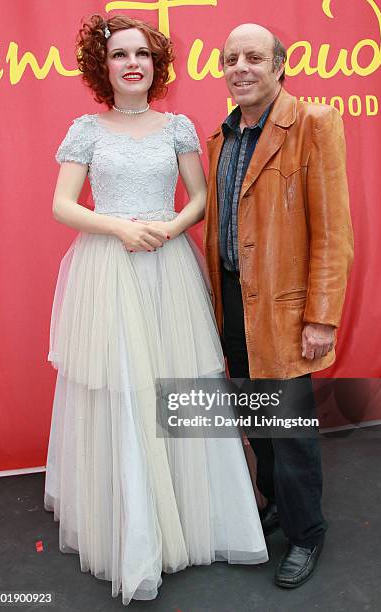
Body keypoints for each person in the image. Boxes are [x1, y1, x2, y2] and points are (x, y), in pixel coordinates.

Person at [44, 14, 268, 606]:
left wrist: (169, 226)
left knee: (178, 387)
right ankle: (128, 523)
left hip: (168, 266)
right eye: (120, 55)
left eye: (142, 53)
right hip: (109, 270)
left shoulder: (178, 127)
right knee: (120, 388)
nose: (132, 63)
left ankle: (194, 518)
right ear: (104, 67)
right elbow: (63, 205)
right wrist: (120, 226)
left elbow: (198, 196)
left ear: (156, 63)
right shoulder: (86, 129)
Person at [204, 24, 354, 588]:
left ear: (279, 66)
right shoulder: (219, 137)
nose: (240, 67)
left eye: (253, 57)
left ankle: (307, 532)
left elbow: (334, 232)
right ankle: (273, 506)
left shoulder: (314, 123)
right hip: (234, 310)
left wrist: (321, 316)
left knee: (288, 429)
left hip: (288, 312)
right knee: (256, 423)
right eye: (230, 58)